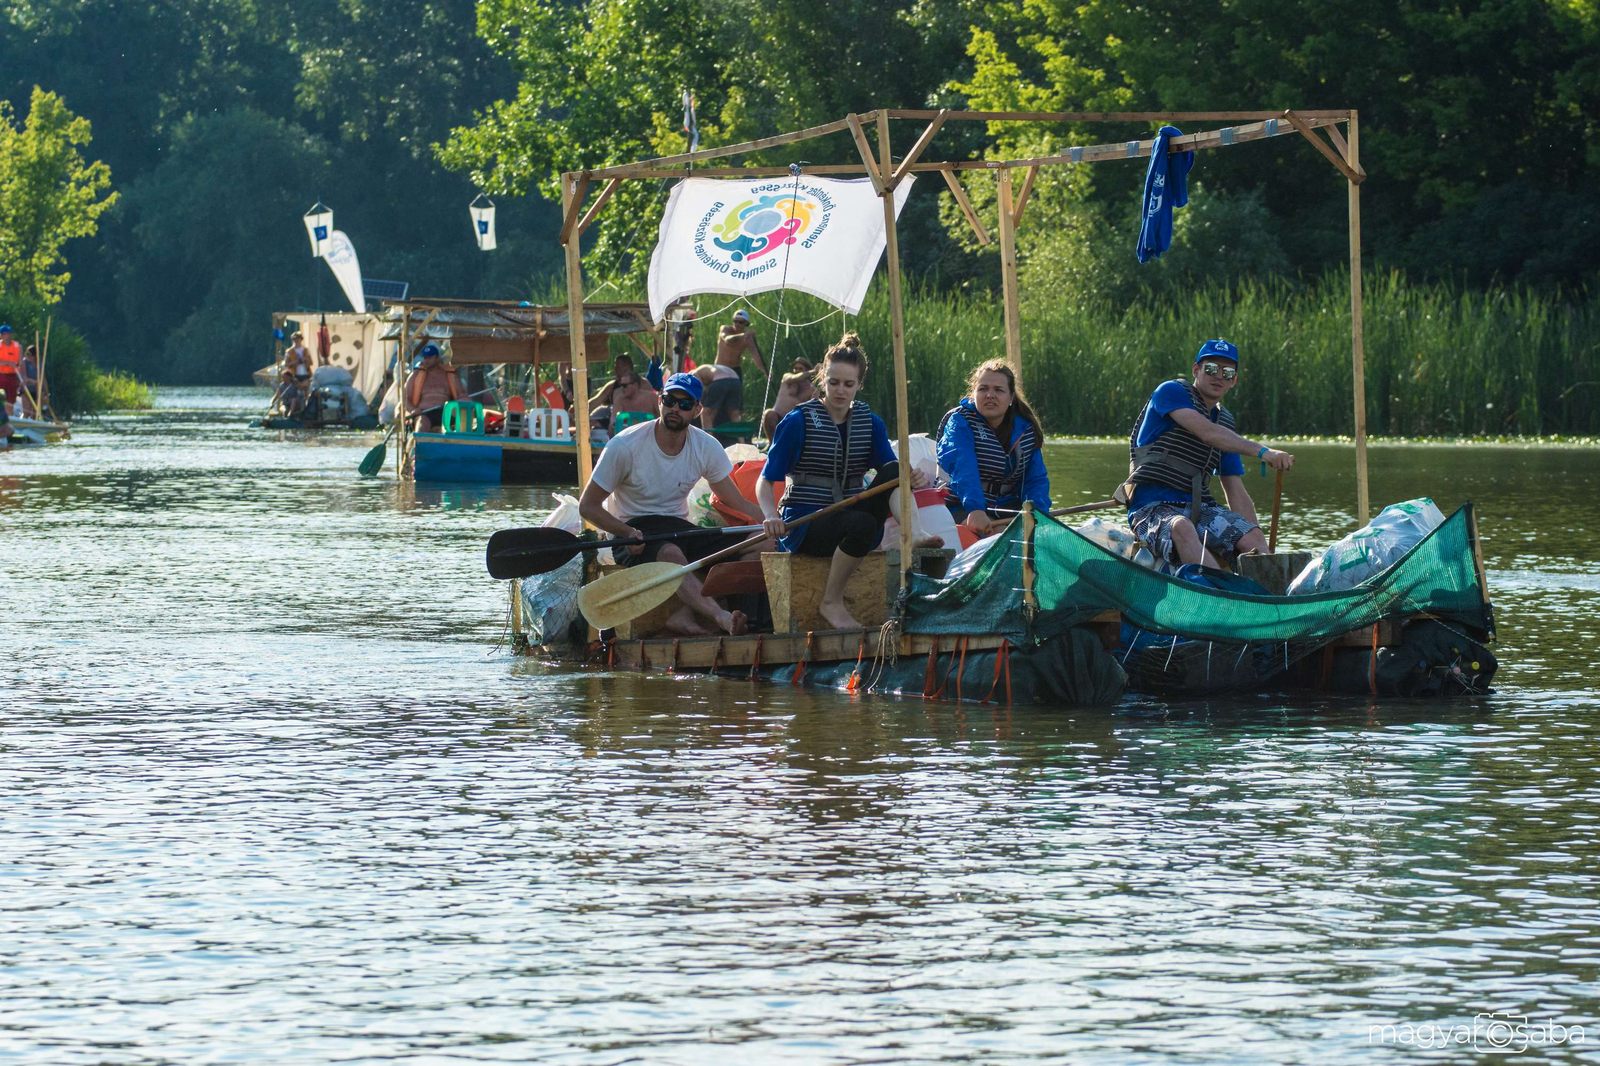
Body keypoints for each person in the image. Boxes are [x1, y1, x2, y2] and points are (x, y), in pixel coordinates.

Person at [757, 332, 927, 630]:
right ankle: (831, 602)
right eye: (833, 382)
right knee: (861, 524)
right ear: (822, 380)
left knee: (895, 470)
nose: (840, 390)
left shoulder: (870, 422)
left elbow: (891, 472)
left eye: (848, 384)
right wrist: (771, 515)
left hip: (851, 515)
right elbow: (765, 481)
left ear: (859, 385)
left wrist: (911, 476)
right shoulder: (798, 421)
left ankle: (913, 534)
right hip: (806, 524)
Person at [579, 372, 768, 636]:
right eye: (670, 401)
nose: (675, 409)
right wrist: (626, 532)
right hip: (633, 532)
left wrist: (770, 520)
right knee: (671, 554)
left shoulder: (705, 446)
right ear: (660, 401)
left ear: (697, 410)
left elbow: (735, 501)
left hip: (680, 529)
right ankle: (722, 618)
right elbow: (587, 506)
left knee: (762, 541)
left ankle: (692, 613)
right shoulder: (624, 446)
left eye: (685, 404)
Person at [1120, 338, 1294, 568]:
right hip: (1150, 506)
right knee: (1182, 527)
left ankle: (1268, 586)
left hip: (1200, 509)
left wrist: (1258, 545)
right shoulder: (1171, 391)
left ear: (1234, 381)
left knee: (1252, 536)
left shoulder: (1225, 424)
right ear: (1196, 370)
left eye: (1227, 373)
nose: (1219, 376)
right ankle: (1214, 589)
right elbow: (1206, 432)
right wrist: (1263, 452)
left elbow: (1235, 490)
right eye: (1211, 369)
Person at [936, 359, 1051, 536]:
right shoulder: (959, 422)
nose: (990, 395)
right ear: (974, 393)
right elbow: (962, 466)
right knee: (999, 533)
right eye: (983, 389)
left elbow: (1036, 479)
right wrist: (975, 509)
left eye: (998, 390)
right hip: (961, 506)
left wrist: (1038, 514)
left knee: (1031, 535)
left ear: (1011, 397)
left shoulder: (1026, 429)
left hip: (1006, 508)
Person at [706, 308, 766, 426]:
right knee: (714, 405)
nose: (737, 324)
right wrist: (744, 335)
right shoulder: (725, 329)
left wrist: (764, 371)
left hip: (735, 371)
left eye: (741, 322)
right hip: (719, 370)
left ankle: (736, 431)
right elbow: (728, 340)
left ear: (746, 324)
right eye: (735, 321)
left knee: (735, 407)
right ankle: (712, 428)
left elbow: (756, 356)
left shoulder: (747, 338)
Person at [588, 353, 659, 433]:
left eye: (617, 367)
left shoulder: (645, 386)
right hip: (622, 425)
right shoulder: (614, 390)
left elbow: (656, 412)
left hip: (645, 426)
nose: (615, 369)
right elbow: (595, 402)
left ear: (627, 367)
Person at [406, 343, 463, 431]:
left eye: (429, 357)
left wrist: (461, 404)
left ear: (437, 358)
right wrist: (413, 410)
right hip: (424, 413)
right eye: (425, 357)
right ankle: (420, 439)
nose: (426, 360)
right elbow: (405, 399)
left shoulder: (449, 374)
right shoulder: (416, 375)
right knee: (422, 423)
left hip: (445, 412)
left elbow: (462, 395)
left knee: (453, 425)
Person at [760, 357, 816, 438]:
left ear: (806, 370)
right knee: (769, 414)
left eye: (800, 368)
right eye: (795, 368)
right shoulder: (787, 377)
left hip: (794, 421)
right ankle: (772, 442)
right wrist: (814, 371)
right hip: (777, 418)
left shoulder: (810, 389)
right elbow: (795, 377)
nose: (797, 370)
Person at [276, 331, 314, 415]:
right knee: (296, 392)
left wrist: (305, 360)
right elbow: (286, 364)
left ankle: (306, 409)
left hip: (305, 373)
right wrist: (296, 362)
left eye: (298, 339)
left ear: (301, 339)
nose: (296, 341)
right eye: (294, 339)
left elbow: (311, 362)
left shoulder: (306, 350)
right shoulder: (289, 351)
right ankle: (294, 409)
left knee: (306, 392)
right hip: (294, 374)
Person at [0, 325, 21, 407]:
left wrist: (21, 377)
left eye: (9, 333)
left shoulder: (17, 346)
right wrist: (8, 363)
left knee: (11, 400)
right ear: (1, 335)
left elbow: (20, 363)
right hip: (1, 375)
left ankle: (9, 413)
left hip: (13, 376)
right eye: (5, 334)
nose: (7, 336)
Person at [19, 346, 40, 418]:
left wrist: (45, 391)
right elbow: (24, 378)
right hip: (26, 390)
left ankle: (32, 424)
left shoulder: (39, 364)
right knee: (26, 411)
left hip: (36, 390)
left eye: (29, 354)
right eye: (27, 353)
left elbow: (43, 379)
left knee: (34, 414)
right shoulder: (24, 362)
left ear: (34, 356)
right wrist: (34, 381)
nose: (27, 356)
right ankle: (21, 422)